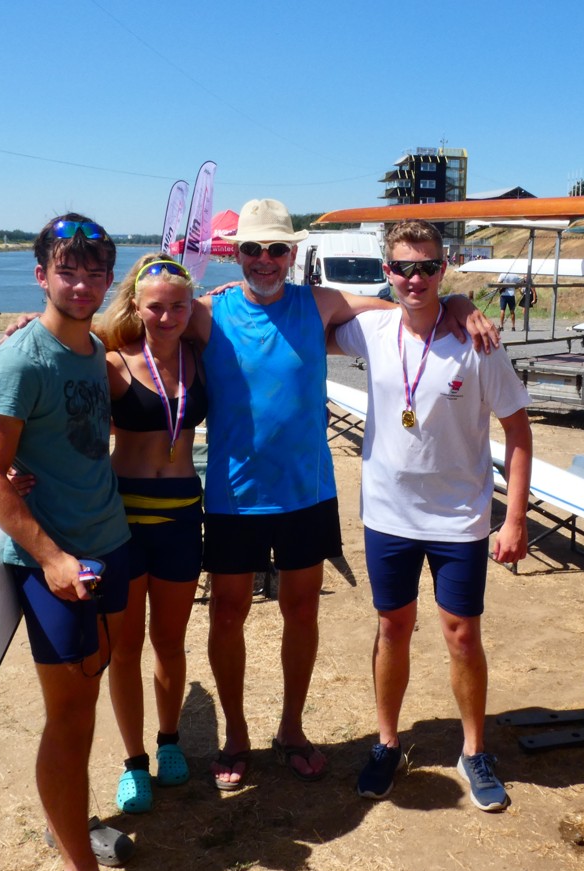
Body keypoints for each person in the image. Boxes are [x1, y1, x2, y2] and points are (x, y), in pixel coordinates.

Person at [189, 198, 496, 792]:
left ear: (292, 253)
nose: (264, 260)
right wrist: (38, 321)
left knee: (302, 612)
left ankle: (292, 729)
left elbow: (410, 306)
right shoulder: (207, 313)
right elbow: (132, 325)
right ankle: (236, 735)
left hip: (306, 492)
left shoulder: (320, 303)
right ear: (235, 253)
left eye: (276, 249)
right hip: (233, 495)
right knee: (226, 614)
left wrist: (459, 301)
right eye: (252, 249)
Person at [331, 219, 533, 812]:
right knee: (392, 627)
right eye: (403, 267)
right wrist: (228, 296)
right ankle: (387, 743)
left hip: (459, 518)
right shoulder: (371, 330)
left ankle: (474, 751)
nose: (415, 278)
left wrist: (515, 518)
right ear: (386, 271)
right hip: (387, 515)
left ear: (444, 268)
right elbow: (301, 316)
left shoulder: (477, 343)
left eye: (427, 267)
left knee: (462, 635)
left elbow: (518, 432)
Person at [0, 214, 131, 871]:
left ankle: (69, 825)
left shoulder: (94, 348)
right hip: (59, 565)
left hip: (111, 542)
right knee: (69, 718)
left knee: (90, 698)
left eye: (95, 272)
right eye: (68, 270)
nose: (82, 284)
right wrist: (52, 557)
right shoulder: (18, 361)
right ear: (41, 276)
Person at [100, 254, 207, 811]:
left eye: (178, 306)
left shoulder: (200, 353)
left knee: (169, 640)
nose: (167, 317)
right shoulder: (111, 361)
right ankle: (134, 762)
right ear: (136, 307)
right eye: (156, 307)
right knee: (125, 648)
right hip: (122, 519)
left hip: (182, 515)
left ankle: (168, 742)